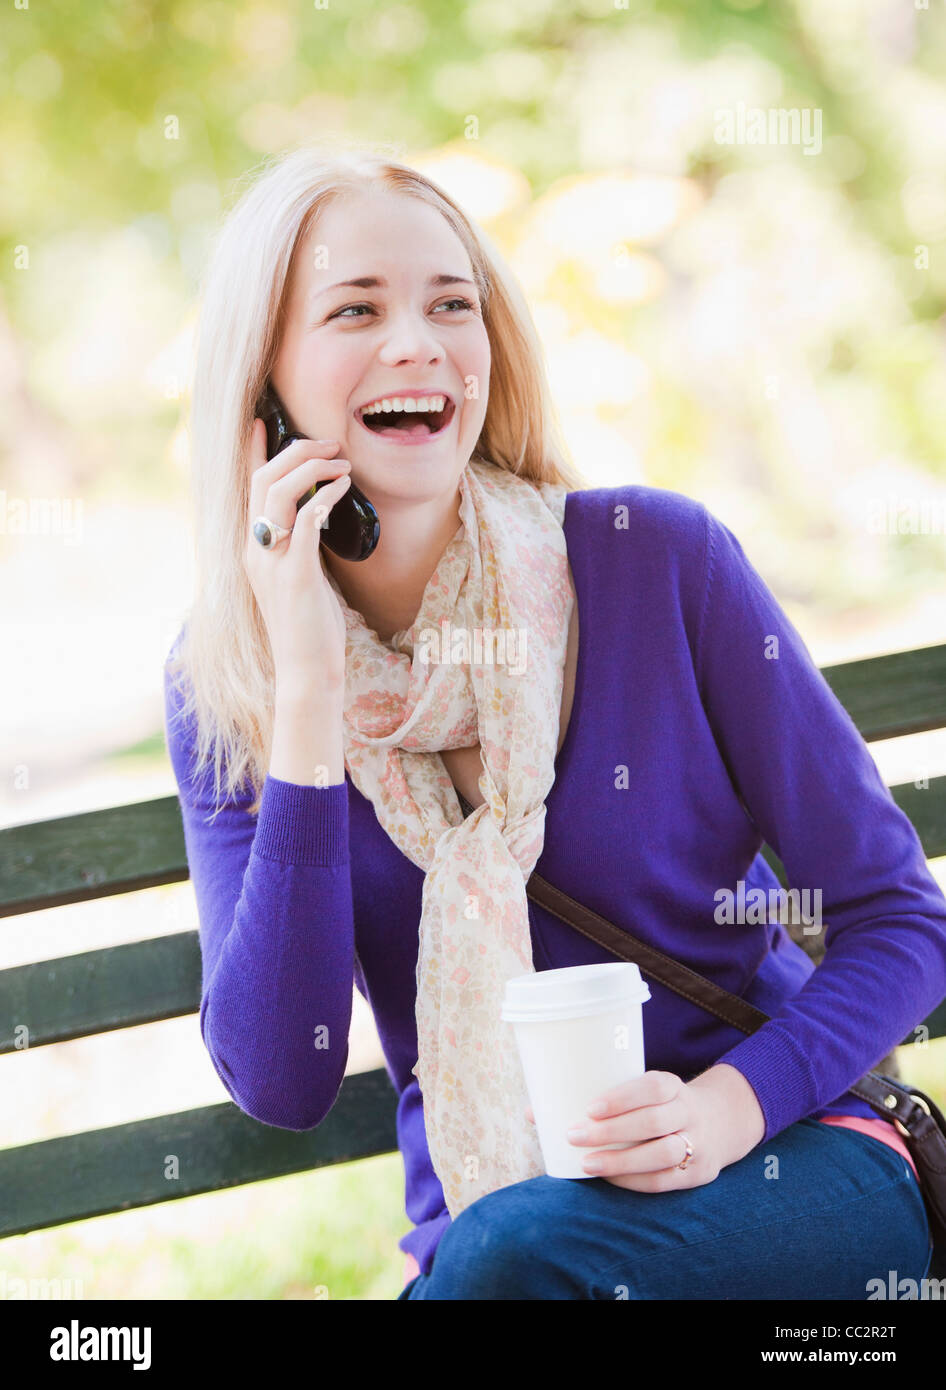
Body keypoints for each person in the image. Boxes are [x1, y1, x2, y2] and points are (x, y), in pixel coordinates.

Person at [163, 142, 945, 1300]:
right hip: (500, 1239)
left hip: (793, 1158)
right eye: (354, 309)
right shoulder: (231, 685)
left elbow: (899, 919)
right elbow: (284, 1077)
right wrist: (310, 697)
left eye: (450, 305)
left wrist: (726, 1111)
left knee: (517, 1263)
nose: (417, 342)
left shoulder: (655, 561)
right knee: (517, 1258)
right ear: (261, 389)